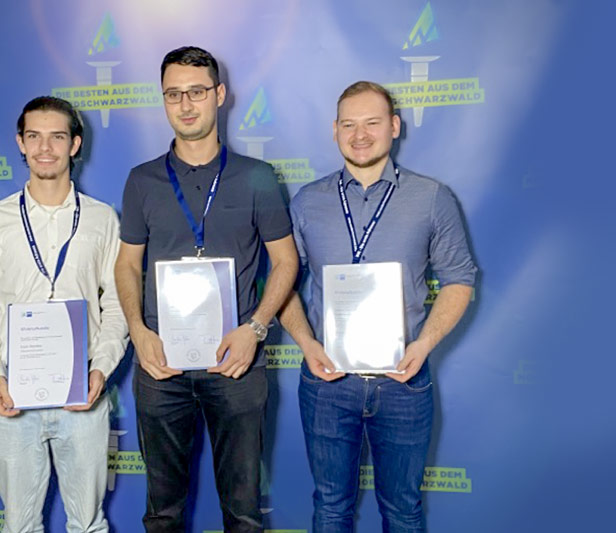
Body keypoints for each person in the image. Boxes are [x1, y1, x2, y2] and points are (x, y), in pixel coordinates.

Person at [114, 46, 299, 532]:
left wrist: (255, 329)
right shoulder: (142, 180)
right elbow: (127, 265)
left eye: (196, 92)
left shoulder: (258, 177)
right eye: (173, 94)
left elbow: (286, 261)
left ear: (219, 95)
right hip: (161, 363)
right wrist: (138, 331)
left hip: (236, 363)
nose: (185, 104)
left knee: (242, 513)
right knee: (162, 513)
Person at [279, 81, 477, 532]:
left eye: (371, 122)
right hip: (327, 381)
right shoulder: (307, 201)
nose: (360, 134)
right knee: (331, 508)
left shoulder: (432, 197)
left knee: (403, 510)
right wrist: (306, 343)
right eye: (349, 124)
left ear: (394, 126)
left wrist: (423, 345)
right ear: (334, 130)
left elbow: (459, 279)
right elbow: (281, 283)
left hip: (404, 381)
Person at [0, 96, 128, 533]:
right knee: (19, 526)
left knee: (87, 524)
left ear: (75, 144)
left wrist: (101, 369)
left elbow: (118, 304)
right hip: (13, 396)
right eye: (34, 137)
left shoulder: (102, 219)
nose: (45, 148)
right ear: (20, 142)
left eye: (57, 137)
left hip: (83, 395)